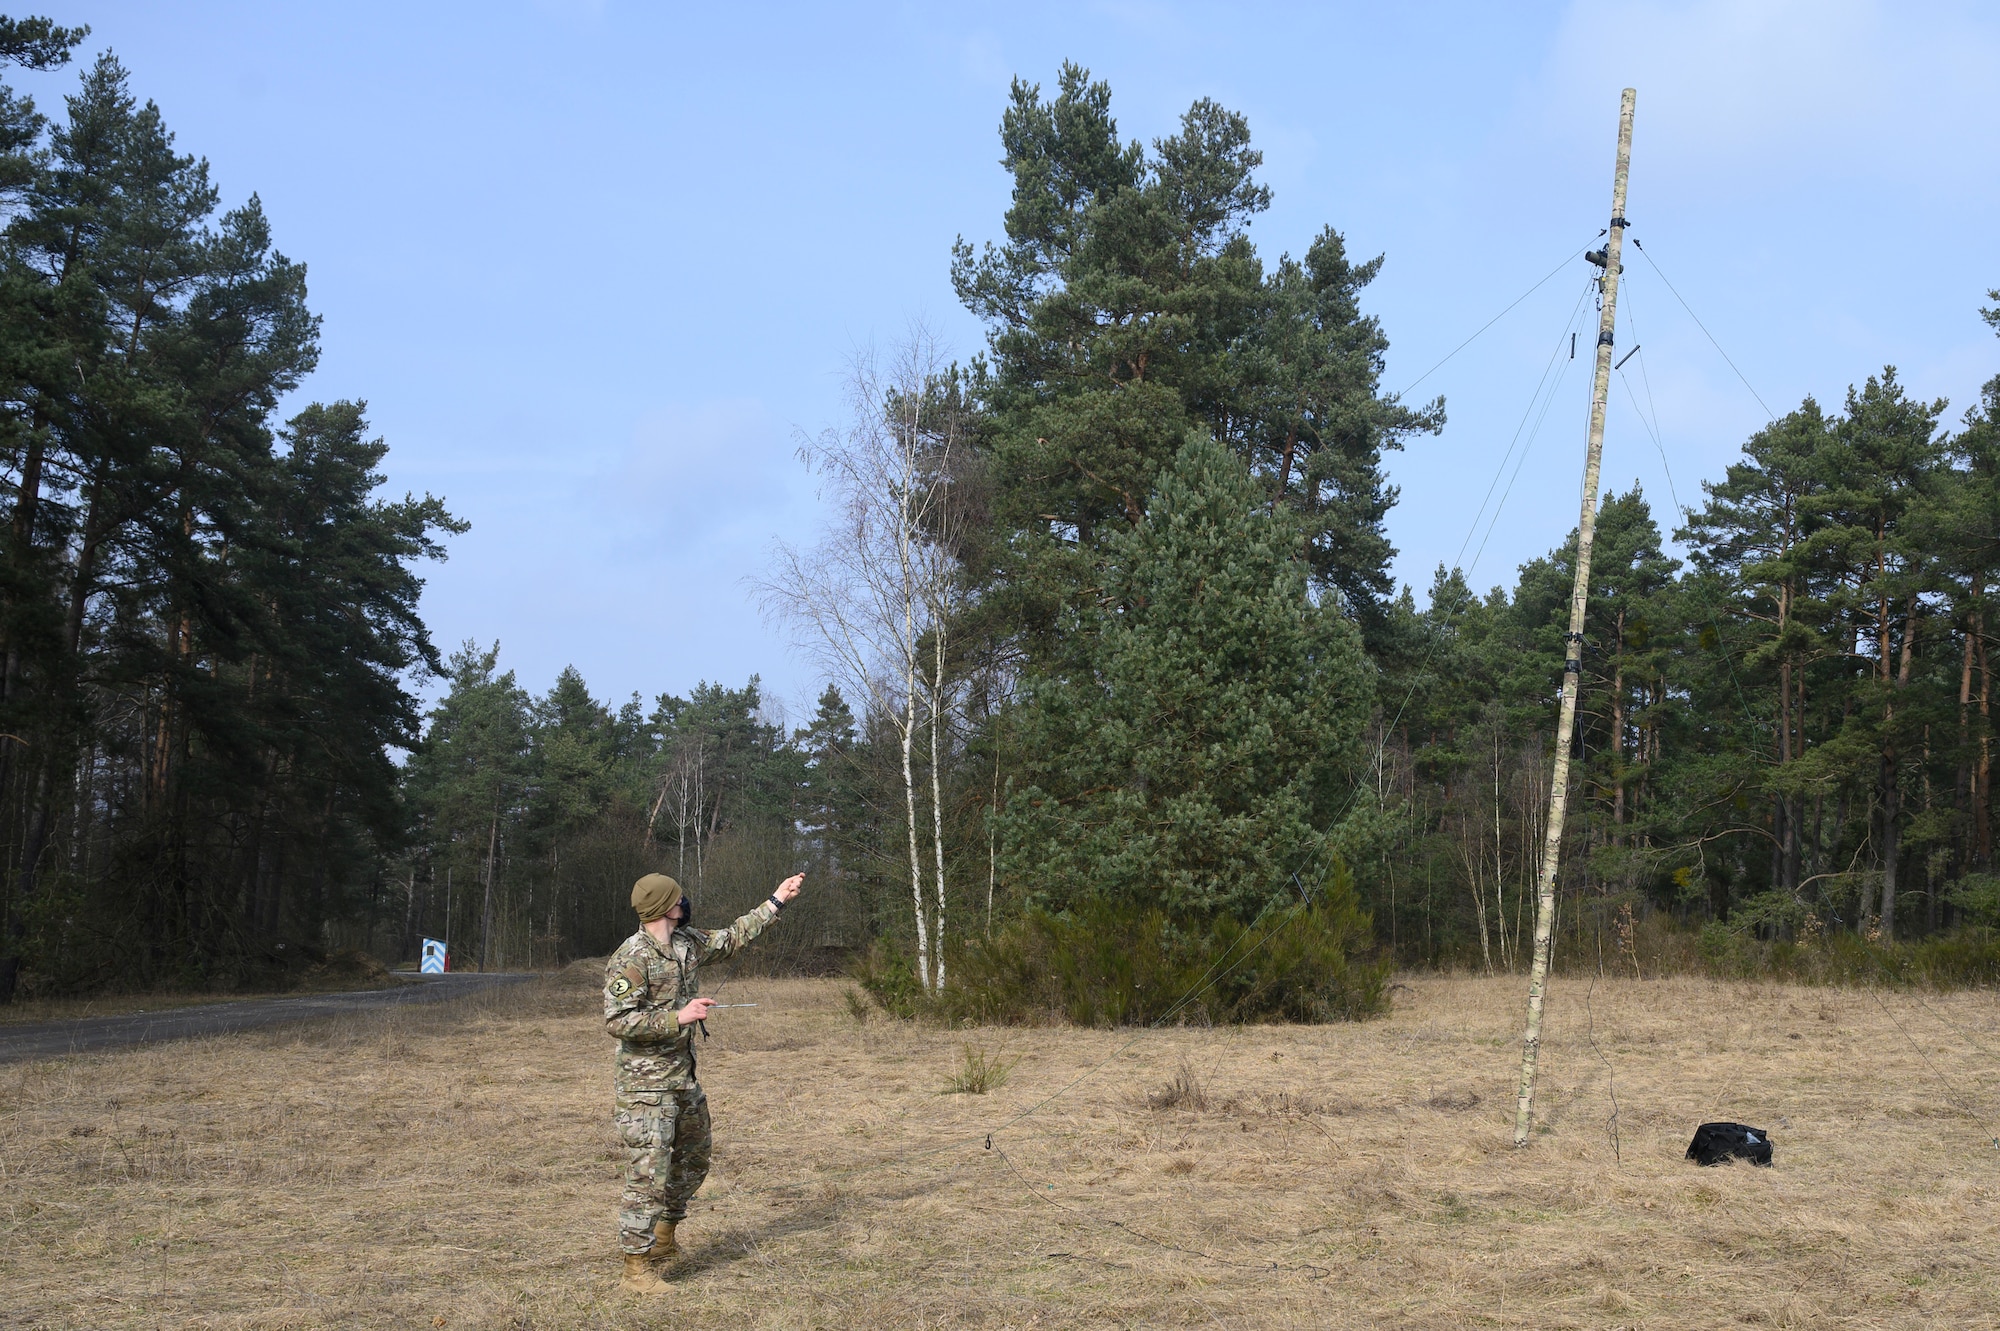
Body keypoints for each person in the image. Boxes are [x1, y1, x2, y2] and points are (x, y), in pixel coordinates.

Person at [603, 869, 804, 1294]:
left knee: (694, 1158)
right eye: (678, 898)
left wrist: (778, 899)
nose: (685, 902)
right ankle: (635, 1271)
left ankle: (663, 1238)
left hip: (683, 1077)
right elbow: (618, 1021)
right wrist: (679, 1016)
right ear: (663, 907)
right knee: (648, 1173)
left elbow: (733, 937)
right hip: (645, 1088)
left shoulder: (686, 943)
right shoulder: (631, 957)